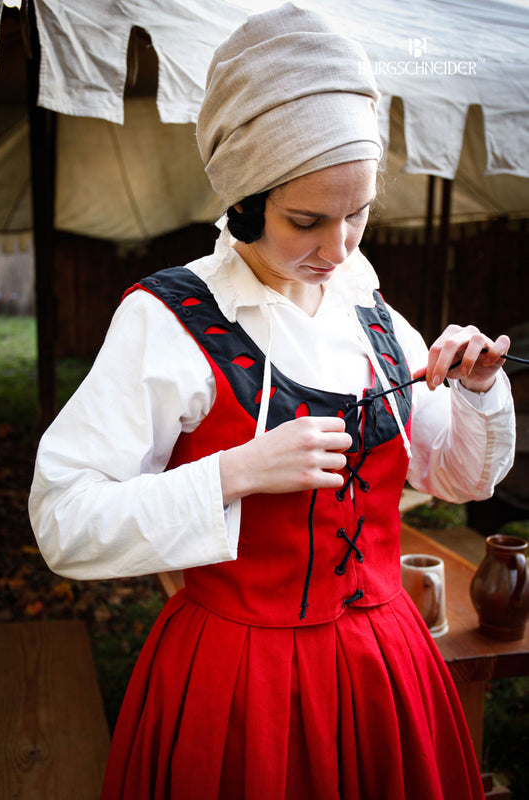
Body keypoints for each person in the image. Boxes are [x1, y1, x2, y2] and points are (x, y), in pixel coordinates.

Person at [29, 4, 516, 799]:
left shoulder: (367, 310)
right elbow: (64, 523)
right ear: (245, 199)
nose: (337, 248)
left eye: (357, 214)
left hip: (385, 671)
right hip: (239, 684)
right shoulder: (168, 319)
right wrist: (232, 473)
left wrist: (476, 389)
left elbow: (459, 480)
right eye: (305, 220)